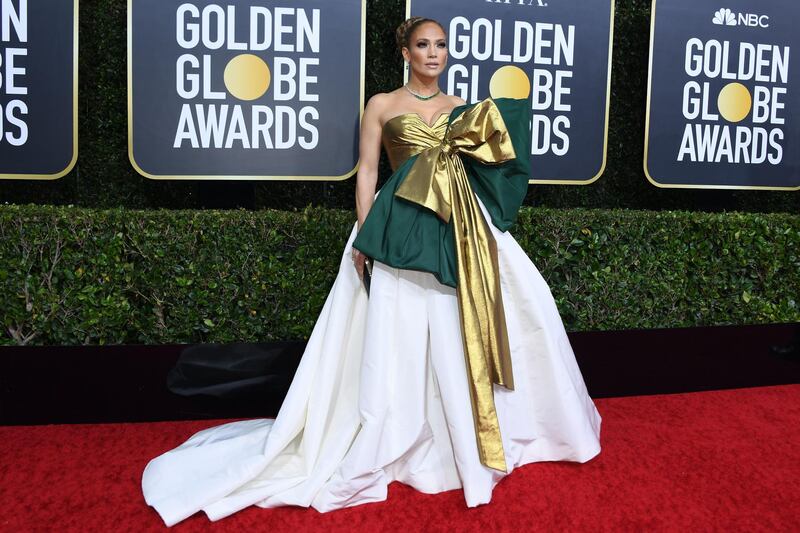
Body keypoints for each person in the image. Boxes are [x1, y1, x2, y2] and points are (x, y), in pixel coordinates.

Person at [142, 17, 601, 527]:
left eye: (441, 46)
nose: (434, 54)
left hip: (459, 226)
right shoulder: (381, 105)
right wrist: (366, 234)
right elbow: (366, 170)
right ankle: (399, 431)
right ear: (405, 52)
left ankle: (465, 436)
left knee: (464, 324)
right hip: (398, 222)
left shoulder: (462, 110)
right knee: (398, 331)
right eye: (424, 45)